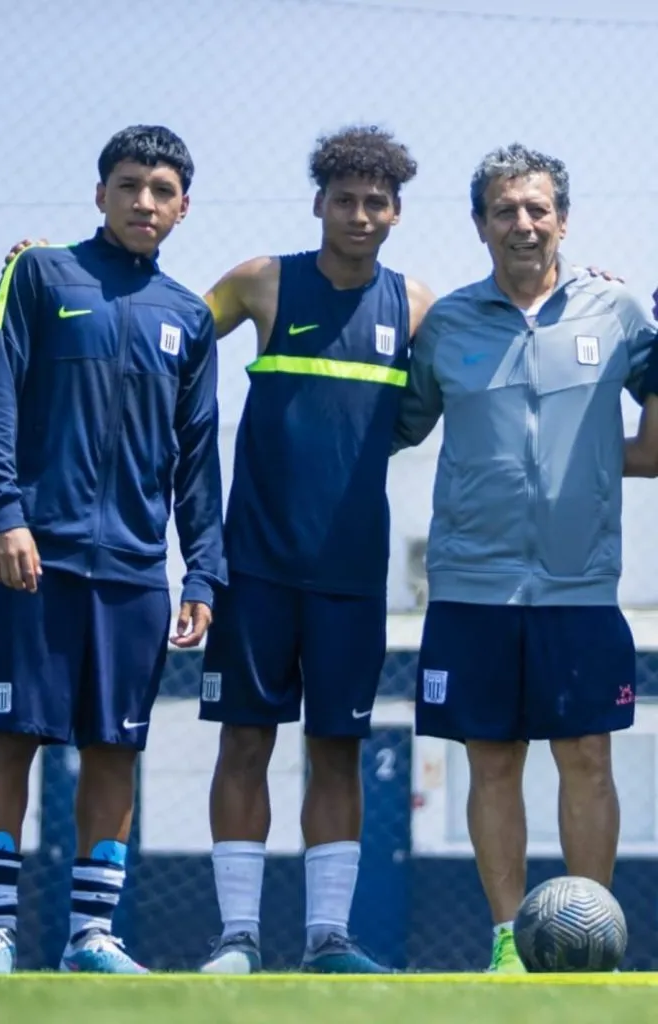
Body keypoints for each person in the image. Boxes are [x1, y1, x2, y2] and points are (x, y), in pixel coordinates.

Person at [391, 142, 657, 974]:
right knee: (492, 761)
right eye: (505, 209)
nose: (523, 223)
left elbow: (651, 444)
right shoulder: (448, 326)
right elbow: (396, 424)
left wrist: (581, 458)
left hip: (581, 586)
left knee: (586, 758)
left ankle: (593, 943)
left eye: (538, 208)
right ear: (480, 224)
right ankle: (509, 941)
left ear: (564, 219)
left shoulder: (617, 314)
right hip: (472, 585)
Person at [0, 125, 226, 974]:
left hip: (134, 573)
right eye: (128, 185)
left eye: (162, 191)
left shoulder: (190, 317)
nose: (144, 203)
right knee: (6, 738)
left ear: (184, 207)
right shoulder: (41, 274)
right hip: (33, 558)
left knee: (116, 749)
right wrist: (3, 513)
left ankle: (91, 937)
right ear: (100, 193)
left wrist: (202, 568)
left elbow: (200, 458)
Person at [196, 125, 434, 974]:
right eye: (345, 200)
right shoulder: (264, 282)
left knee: (337, 749)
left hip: (350, 575)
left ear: (397, 211)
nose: (360, 215)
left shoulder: (415, 308)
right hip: (253, 565)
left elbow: (482, 355)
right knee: (245, 742)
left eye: (376, 202)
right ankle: (238, 940)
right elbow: (161, 338)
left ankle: (328, 939)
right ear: (318, 203)